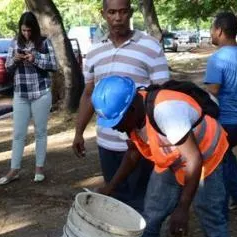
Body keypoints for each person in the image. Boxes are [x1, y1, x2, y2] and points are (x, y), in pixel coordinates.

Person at [92, 76, 235, 237]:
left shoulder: (166, 111)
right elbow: (133, 154)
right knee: (151, 216)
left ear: (132, 109)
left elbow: (194, 159)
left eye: (117, 122)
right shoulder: (129, 118)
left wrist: (183, 208)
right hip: (172, 160)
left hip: (206, 159)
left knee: (211, 219)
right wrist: (110, 187)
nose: (115, 127)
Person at [71, 0, 169, 213]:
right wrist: (79, 131)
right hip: (107, 142)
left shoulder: (150, 46)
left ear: (130, 13)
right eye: (112, 12)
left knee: (140, 201)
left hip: (140, 143)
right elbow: (89, 94)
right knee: (114, 199)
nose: (118, 18)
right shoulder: (95, 51)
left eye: (123, 12)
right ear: (104, 14)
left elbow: (162, 95)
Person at [0, 12, 57, 186]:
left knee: (40, 132)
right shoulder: (14, 42)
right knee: (18, 133)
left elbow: (54, 65)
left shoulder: (44, 42)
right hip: (21, 93)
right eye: (24, 30)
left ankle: (39, 168)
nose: (27, 34)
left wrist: (35, 58)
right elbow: (7, 67)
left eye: (29, 30)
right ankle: (14, 169)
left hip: (41, 92)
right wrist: (15, 60)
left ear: (35, 29)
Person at [204, 12, 237, 210]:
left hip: (223, 122)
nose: (211, 33)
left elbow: (214, 90)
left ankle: (220, 204)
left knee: (217, 161)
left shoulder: (217, 58)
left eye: (212, 29)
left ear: (220, 31)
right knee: (226, 154)